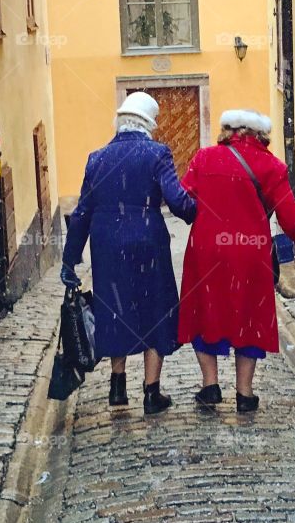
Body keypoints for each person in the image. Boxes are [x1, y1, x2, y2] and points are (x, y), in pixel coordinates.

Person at [61, 91, 196, 416]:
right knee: (154, 310)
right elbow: (178, 201)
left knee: (115, 308)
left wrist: (70, 259)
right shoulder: (156, 153)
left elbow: (81, 213)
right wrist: (197, 211)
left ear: (119, 121)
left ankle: (118, 386)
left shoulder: (97, 158)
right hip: (147, 241)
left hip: (107, 246)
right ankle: (151, 393)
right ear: (148, 123)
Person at [178, 109, 295, 413]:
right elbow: (291, 217)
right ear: (260, 136)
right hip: (250, 251)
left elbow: (184, 198)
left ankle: (210, 386)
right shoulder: (271, 166)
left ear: (228, 131)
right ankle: (245, 393)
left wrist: (198, 215)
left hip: (207, 249)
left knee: (206, 311)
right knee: (248, 315)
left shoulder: (204, 158)